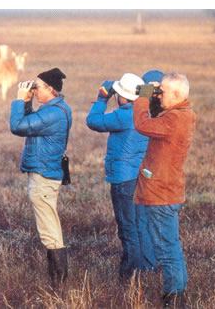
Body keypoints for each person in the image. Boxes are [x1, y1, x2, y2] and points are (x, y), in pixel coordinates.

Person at [86, 72, 159, 280]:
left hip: (123, 179)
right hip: (141, 177)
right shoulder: (145, 113)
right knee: (141, 224)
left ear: (122, 96)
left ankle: (131, 274)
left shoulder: (124, 115)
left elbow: (93, 121)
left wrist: (101, 98)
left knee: (127, 228)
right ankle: (149, 268)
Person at [134, 73, 196, 308]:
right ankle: (177, 293)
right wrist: (154, 97)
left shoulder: (175, 119)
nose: (159, 98)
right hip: (168, 190)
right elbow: (158, 119)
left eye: (163, 94)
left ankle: (174, 297)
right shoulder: (180, 115)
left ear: (178, 95)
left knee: (166, 248)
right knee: (170, 244)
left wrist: (143, 96)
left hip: (161, 194)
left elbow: (142, 125)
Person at [9, 67, 72, 288]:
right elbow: (31, 125)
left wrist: (18, 101)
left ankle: (59, 283)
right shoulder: (57, 108)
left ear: (50, 89)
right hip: (47, 172)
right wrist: (27, 103)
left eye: (37, 87)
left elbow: (17, 127)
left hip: (44, 176)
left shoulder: (52, 113)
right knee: (49, 226)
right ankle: (57, 280)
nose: (34, 90)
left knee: (49, 230)